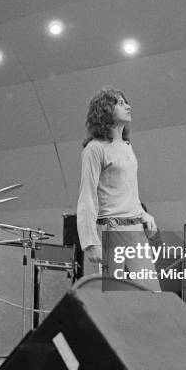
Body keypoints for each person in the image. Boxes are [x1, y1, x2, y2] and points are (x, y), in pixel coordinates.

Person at [76, 86, 160, 290]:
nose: (128, 106)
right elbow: (87, 197)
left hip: (135, 230)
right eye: (120, 103)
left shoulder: (127, 146)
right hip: (111, 230)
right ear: (105, 110)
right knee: (116, 297)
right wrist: (90, 242)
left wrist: (144, 214)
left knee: (152, 293)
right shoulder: (94, 149)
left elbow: (128, 191)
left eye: (126, 102)